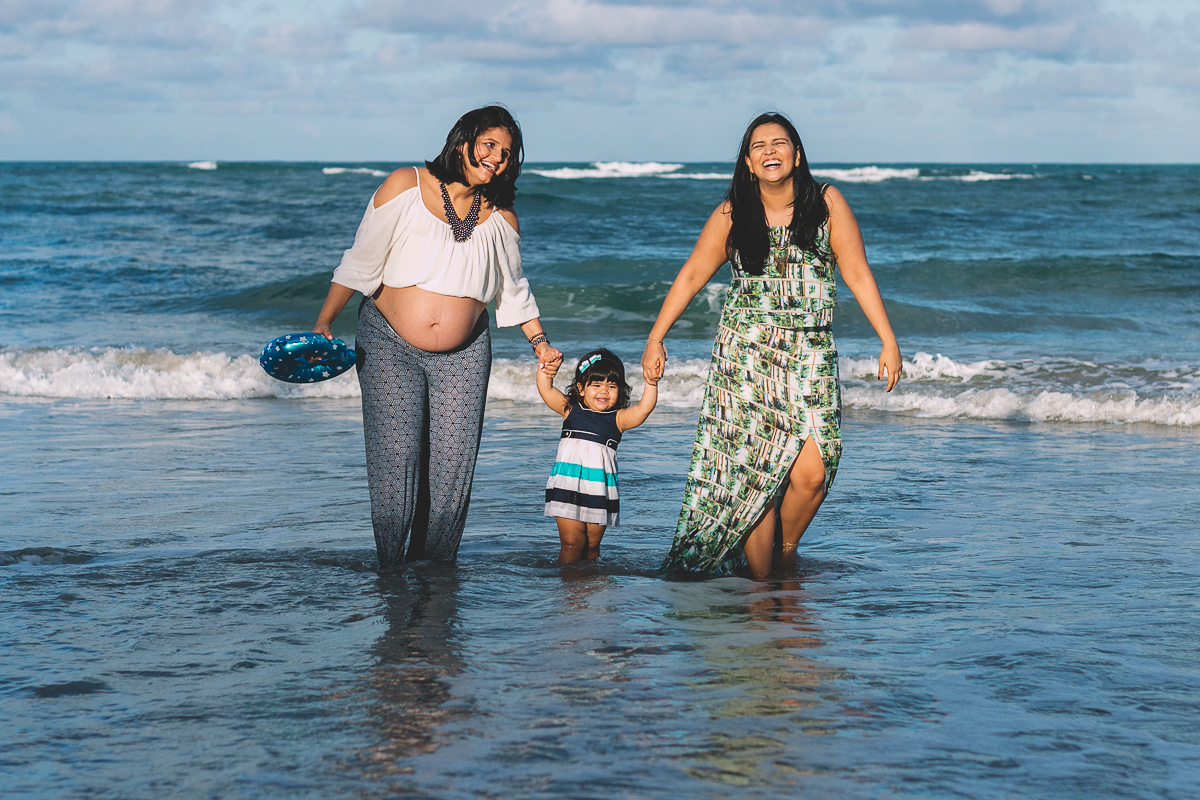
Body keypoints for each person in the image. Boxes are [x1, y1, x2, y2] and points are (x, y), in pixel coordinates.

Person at [641, 112, 902, 579]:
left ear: (797, 155)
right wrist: (656, 337)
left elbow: (857, 272)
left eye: (779, 143)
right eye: (758, 146)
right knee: (754, 475)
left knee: (814, 471)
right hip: (745, 356)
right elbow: (692, 275)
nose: (769, 151)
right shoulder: (732, 213)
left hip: (811, 352)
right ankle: (763, 590)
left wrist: (888, 339)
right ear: (748, 161)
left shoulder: (827, 203)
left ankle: (785, 549)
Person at [312, 105, 562, 569]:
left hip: (465, 354)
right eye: (489, 145)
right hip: (388, 343)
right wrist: (324, 322)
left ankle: (434, 572)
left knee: (452, 469)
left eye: (507, 153)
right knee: (397, 461)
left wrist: (540, 343)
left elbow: (513, 290)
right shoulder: (404, 185)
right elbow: (360, 261)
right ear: (463, 142)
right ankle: (391, 570)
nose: (497, 158)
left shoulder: (502, 217)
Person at [537, 349, 659, 564]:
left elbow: (643, 410)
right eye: (596, 385)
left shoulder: (618, 419)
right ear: (581, 388)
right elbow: (545, 389)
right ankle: (568, 582)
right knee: (572, 542)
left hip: (599, 488)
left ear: (620, 390)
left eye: (612, 386)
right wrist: (546, 367)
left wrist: (651, 383)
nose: (604, 391)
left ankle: (590, 580)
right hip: (567, 484)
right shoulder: (570, 409)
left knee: (591, 545)